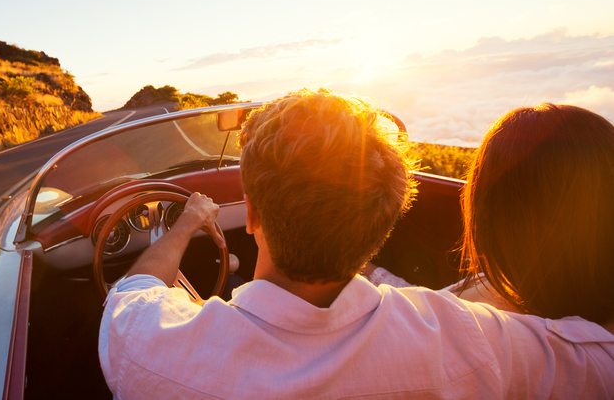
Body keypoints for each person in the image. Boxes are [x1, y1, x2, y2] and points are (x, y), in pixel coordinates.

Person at [99, 89, 614, 399]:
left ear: (251, 213)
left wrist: (186, 225)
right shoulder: (479, 339)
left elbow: (137, 288)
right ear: (382, 226)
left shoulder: (149, 349)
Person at [364, 104, 614, 324]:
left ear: (496, 219)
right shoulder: (516, 286)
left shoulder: (492, 324)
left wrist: (349, 273)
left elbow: (419, 318)